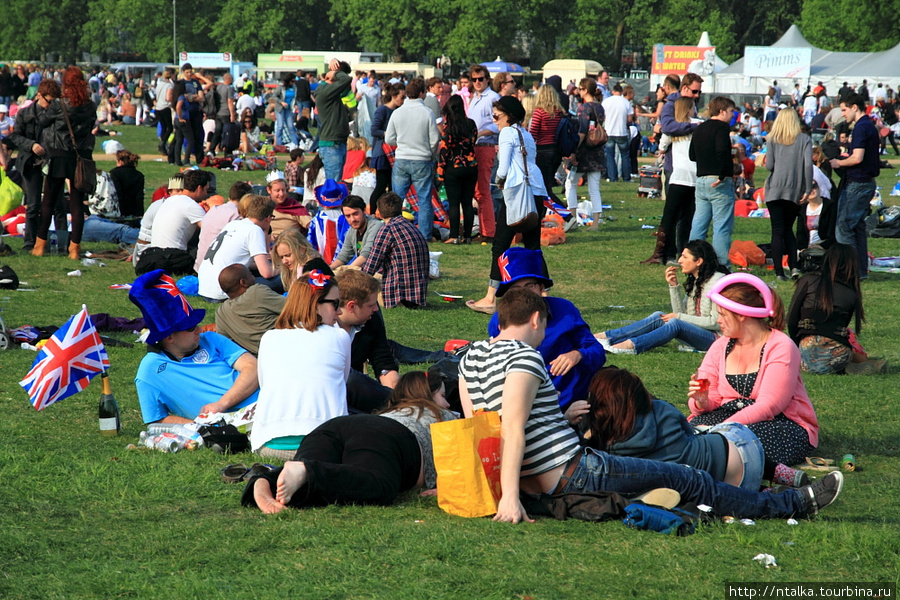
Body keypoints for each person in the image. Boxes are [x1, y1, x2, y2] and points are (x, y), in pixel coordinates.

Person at [459, 287, 842, 524]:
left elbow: (478, 425)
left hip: (537, 478)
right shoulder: (527, 358)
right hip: (571, 470)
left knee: (667, 479)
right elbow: (510, 427)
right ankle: (792, 504)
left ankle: (652, 498)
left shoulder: (470, 357)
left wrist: (489, 484)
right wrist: (509, 498)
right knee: (687, 477)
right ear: (536, 319)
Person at [243, 370, 456, 514]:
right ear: (429, 396)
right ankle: (305, 469)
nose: (447, 403)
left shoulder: (391, 411)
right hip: (388, 436)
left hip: (337, 426)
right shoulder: (444, 416)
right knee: (379, 483)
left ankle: (267, 480)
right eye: (443, 396)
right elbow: (465, 459)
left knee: (320, 481)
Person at [689, 273, 819, 467]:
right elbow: (711, 399)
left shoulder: (781, 346)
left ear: (741, 315)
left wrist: (723, 430)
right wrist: (701, 401)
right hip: (729, 416)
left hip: (778, 422)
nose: (718, 321)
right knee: (684, 432)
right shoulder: (719, 347)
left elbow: (769, 406)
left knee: (742, 443)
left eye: (723, 315)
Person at [580, 367, 764, 490]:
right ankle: (783, 473)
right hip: (744, 449)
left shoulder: (608, 451)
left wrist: (572, 423)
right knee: (706, 430)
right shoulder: (661, 409)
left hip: (728, 488)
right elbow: (689, 432)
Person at [130, 269, 259, 424]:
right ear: (169, 337)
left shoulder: (211, 339)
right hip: (231, 426)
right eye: (190, 328)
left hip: (266, 402)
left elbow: (253, 367)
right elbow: (157, 419)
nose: (199, 329)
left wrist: (221, 404)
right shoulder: (149, 370)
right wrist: (199, 427)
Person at [487, 248, 605, 413]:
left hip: (578, 400)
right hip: (533, 406)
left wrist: (578, 355)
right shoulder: (499, 320)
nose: (524, 294)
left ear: (541, 287)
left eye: (530, 285)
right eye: (516, 289)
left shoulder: (564, 309)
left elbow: (598, 351)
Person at [250, 267, 351, 459]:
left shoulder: (269, 337)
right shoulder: (339, 336)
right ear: (314, 304)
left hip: (269, 444)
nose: (339, 312)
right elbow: (342, 383)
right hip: (324, 446)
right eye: (335, 304)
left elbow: (265, 385)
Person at [466, 96, 546, 315]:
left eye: (496, 116)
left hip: (517, 193)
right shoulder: (527, 135)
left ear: (508, 114)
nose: (495, 120)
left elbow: (503, 168)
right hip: (535, 190)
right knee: (532, 246)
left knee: (500, 245)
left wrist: (499, 182)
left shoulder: (507, 133)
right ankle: (542, 295)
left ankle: (491, 297)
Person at [597, 240, 726, 355]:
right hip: (699, 332)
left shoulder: (718, 282)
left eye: (685, 257)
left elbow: (715, 322)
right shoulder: (697, 281)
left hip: (717, 340)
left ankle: (631, 345)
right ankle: (605, 337)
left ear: (698, 261)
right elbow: (681, 314)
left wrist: (678, 317)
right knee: (659, 316)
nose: (679, 260)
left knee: (675, 323)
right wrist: (674, 286)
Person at [31, 67, 96, 260]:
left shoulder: (60, 104)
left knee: (49, 201)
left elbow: (42, 121)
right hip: (80, 157)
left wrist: (43, 104)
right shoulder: (90, 105)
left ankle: (40, 245)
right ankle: (74, 249)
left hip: (59, 155)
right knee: (77, 203)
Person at [788, 244, 871, 375]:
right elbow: (840, 329)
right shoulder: (851, 293)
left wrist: (795, 346)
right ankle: (858, 364)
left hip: (806, 351)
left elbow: (792, 319)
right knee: (858, 356)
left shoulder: (808, 280)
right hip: (840, 354)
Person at [643, 96, 699, 265]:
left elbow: (662, 147)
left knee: (669, 218)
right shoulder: (698, 124)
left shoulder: (672, 129)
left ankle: (663, 253)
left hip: (678, 177)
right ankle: (685, 253)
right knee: (687, 218)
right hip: (695, 177)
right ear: (689, 109)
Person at [830, 93, 881, 279]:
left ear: (854, 107)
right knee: (857, 228)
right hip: (866, 182)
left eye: (844, 109)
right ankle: (860, 271)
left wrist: (839, 163)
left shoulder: (861, 127)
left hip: (858, 183)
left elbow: (857, 158)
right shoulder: (869, 126)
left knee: (843, 228)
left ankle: (849, 271)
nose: (843, 114)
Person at [384, 78, 441, 241]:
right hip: (422, 159)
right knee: (424, 200)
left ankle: (392, 233)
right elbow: (434, 139)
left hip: (402, 158)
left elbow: (388, 139)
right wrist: (429, 153)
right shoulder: (427, 112)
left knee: (395, 200)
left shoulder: (398, 112)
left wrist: (401, 142)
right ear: (422, 93)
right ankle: (424, 235)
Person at [7, 78, 56, 252]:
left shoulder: (56, 113)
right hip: (30, 161)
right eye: (48, 101)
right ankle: (29, 243)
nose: (50, 105)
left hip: (51, 161)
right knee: (33, 204)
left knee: (54, 204)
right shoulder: (24, 113)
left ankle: (50, 240)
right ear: (39, 95)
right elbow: (14, 137)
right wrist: (31, 145)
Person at [198, 194, 278, 301]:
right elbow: (266, 273)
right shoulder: (254, 230)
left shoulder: (233, 224)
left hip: (205, 289)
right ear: (268, 218)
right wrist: (284, 270)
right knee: (282, 279)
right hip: (223, 292)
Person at [688, 96, 737, 268]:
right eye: (731, 111)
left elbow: (692, 155)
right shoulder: (722, 128)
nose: (733, 115)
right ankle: (721, 267)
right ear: (722, 111)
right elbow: (722, 151)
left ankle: (691, 261)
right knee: (721, 227)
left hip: (701, 180)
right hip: (718, 181)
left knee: (699, 225)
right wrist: (723, 174)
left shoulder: (700, 128)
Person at [765, 108, 813, 281]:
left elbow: (769, 165)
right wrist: (807, 189)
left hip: (774, 189)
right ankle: (793, 267)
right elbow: (808, 165)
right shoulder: (804, 140)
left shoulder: (772, 139)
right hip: (794, 190)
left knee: (777, 230)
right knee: (788, 229)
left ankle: (779, 272)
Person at [362, 192, 430, 309]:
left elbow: (372, 264)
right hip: (418, 295)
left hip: (400, 296)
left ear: (379, 211)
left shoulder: (388, 229)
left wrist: (356, 281)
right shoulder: (410, 226)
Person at [137, 169, 211, 275]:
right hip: (173, 259)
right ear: (199, 188)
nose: (206, 194)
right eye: (206, 190)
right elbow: (209, 232)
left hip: (152, 256)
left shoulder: (169, 201)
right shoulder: (191, 205)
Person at [215, 264, 285, 356]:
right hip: (285, 349)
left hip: (258, 360)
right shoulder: (256, 292)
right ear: (243, 282)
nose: (254, 278)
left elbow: (227, 344)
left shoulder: (221, 313)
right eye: (251, 275)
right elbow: (297, 307)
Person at [565, 78, 606, 228]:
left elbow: (582, 132)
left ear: (585, 90)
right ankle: (596, 222)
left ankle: (573, 218)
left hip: (584, 152)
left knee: (571, 184)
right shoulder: (600, 107)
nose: (578, 92)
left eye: (580, 89)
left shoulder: (584, 108)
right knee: (594, 188)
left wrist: (573, 151)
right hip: (597, 151)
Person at [437, 94, 478, 244]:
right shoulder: (471, 124)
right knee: (467, 203)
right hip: (471, 167)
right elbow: (474, 141)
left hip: (453, 168)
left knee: (454, 203)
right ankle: (467, 236)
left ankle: (454, 236)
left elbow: (444, 151)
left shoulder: (448, 129)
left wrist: (440, 172)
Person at [467, 64, 501, 242]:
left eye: (481, 79)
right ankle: (484, 229)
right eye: (474, 79)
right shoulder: (475, 97)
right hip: (475, 146)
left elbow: (498, 123)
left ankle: (488, 232)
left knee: (483, 192)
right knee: (478, 192)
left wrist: (479, 133)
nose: (477, 82)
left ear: (487, 79)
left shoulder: (492, 97)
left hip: (485, 145)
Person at [369, 83, 404, 214]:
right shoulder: (382, 110)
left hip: (393, 154)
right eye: (402, 97)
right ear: (394, 96)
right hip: (382, 153)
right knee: (381, 186)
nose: (403, 100)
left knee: (392, 187)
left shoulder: (397, 111)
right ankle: (372, 212)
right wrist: (388, 134)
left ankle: (388, 214)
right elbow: (374, 130)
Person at [315, 59, 353, 180]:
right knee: (333, 186)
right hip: (332, 145)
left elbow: (346, 85)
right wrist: (334, 72)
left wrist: (334, 68)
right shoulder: (325, 91)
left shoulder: (331, 92)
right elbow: (346, 80)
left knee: (336, 183)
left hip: (337, 142)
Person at [529, 85, 564, 207]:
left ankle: (566, 215)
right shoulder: (559, 112)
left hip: (542, 151)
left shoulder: (539, 112)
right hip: (555, 151)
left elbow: (532, 133)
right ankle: (543, 215)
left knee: (544, 189)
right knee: (547, 185)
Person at [331, 194, 383, 268]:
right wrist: (329, 270)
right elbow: (343, 256)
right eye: (348, 216)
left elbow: (367, 254)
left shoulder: (376, 226)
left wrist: (347, 271)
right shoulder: (351, 231)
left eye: (355, 214)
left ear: (364, 210)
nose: (352, 219)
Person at [272, 228, 321, 293]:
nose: (284, 261)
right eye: (281, 257)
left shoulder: (314, 267)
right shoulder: (294, 270)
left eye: (288, 255)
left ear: (302, 249)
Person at [602, 83, 633, 183]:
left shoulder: (606, 101)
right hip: (621, 132)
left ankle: (612, 177)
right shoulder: (626, 102)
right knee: (625, 155)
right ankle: (626, 177)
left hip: (609, 131)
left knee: (610, 155)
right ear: (622, 92)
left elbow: (603, 117)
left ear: (612, 91)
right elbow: (629, 119)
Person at [267, 170, 311, 238]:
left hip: (291, 243)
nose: (281, 194)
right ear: (269, 190)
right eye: (277, 191)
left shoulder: (293, 206)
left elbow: (311, 225)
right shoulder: (264, 206)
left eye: (283, 190)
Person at [797, 180, 837, 251]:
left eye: (813, 186)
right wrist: (803, 248)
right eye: (807, 189)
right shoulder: (802, 210)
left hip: (825, 246)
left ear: (818, 188)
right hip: (807, 247)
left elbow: (832, 232)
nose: (811, 190)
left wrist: (822, 246)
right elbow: (800, 234)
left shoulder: (830, 206)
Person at [109, 149, 145, 218]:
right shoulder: (139, 175)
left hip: (119, 210)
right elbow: (139, 196)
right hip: (135, 210)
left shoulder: (114, 173)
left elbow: (117, 193)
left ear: (120, 161)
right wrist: (140, 214)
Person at [154, 68, 175, 157]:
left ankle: (162, 145)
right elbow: (168, 98)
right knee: (169, 128)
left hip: (158, 107)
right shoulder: (169, 85)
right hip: (165, 107)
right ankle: (163, 143)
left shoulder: (159, 84)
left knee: (163, 127)